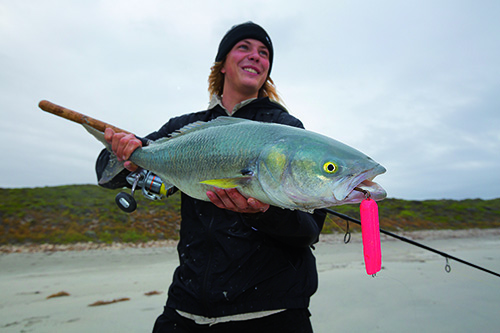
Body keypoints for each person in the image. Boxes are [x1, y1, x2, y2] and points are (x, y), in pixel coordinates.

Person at [96, 22, 326, 333]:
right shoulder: (184, 127)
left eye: (264, 52)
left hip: (272, 312)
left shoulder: (286, 131)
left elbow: (309, 232)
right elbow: (106, 171)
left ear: (267, 70)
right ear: (222, 65)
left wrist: (265, 213)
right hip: (185, 308)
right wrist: (129, 159)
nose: (255, 56)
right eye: (243, 47)